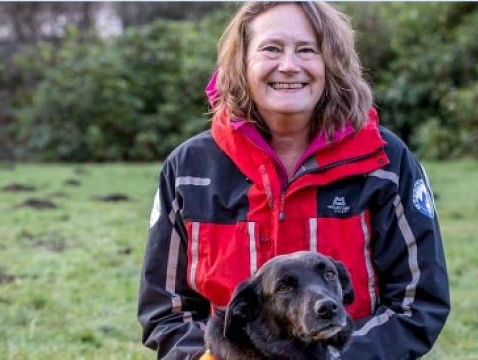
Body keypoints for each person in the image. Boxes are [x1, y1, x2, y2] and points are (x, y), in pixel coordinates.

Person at [138, 2, 450, 359]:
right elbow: (166, 311)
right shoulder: (188, 170)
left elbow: (418, 304)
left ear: (332, 62)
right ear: (241, 62)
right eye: (271, 49)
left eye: (307, 49)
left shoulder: (384, 161)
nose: (289, 65)